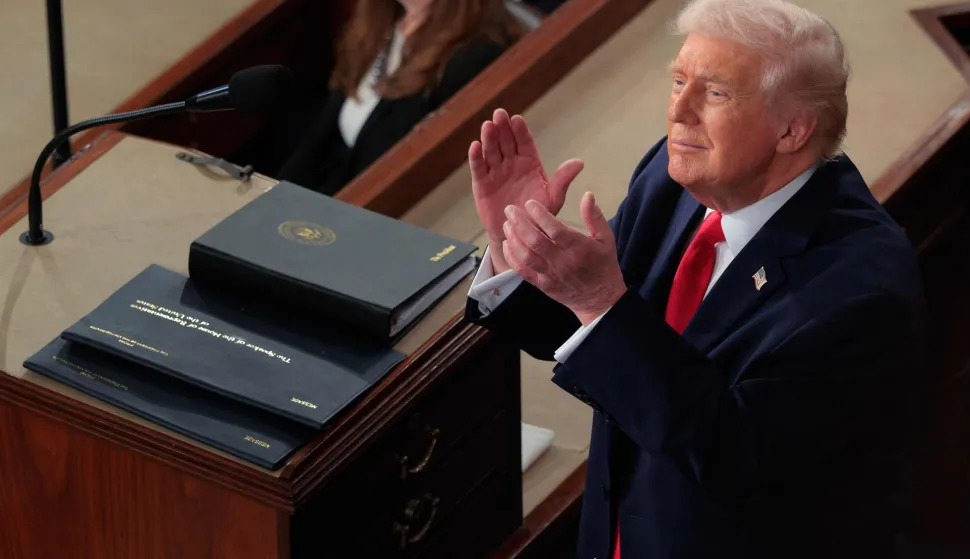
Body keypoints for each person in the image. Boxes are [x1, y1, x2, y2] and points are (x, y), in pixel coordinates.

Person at [464, 0, 927, 557]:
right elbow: (594, 333)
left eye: (715, 92)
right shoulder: (671, 175)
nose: (679, 111)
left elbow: (736, 459)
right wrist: (515, 244)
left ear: (792, 130)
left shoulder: (861, 290)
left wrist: (598, 302)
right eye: (679, 81)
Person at [274, 0, 526, 196]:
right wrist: (272, 193)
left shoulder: (473, 56)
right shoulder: (377, 27)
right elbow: (320, 135)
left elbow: (398, 170)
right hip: (322, 198)